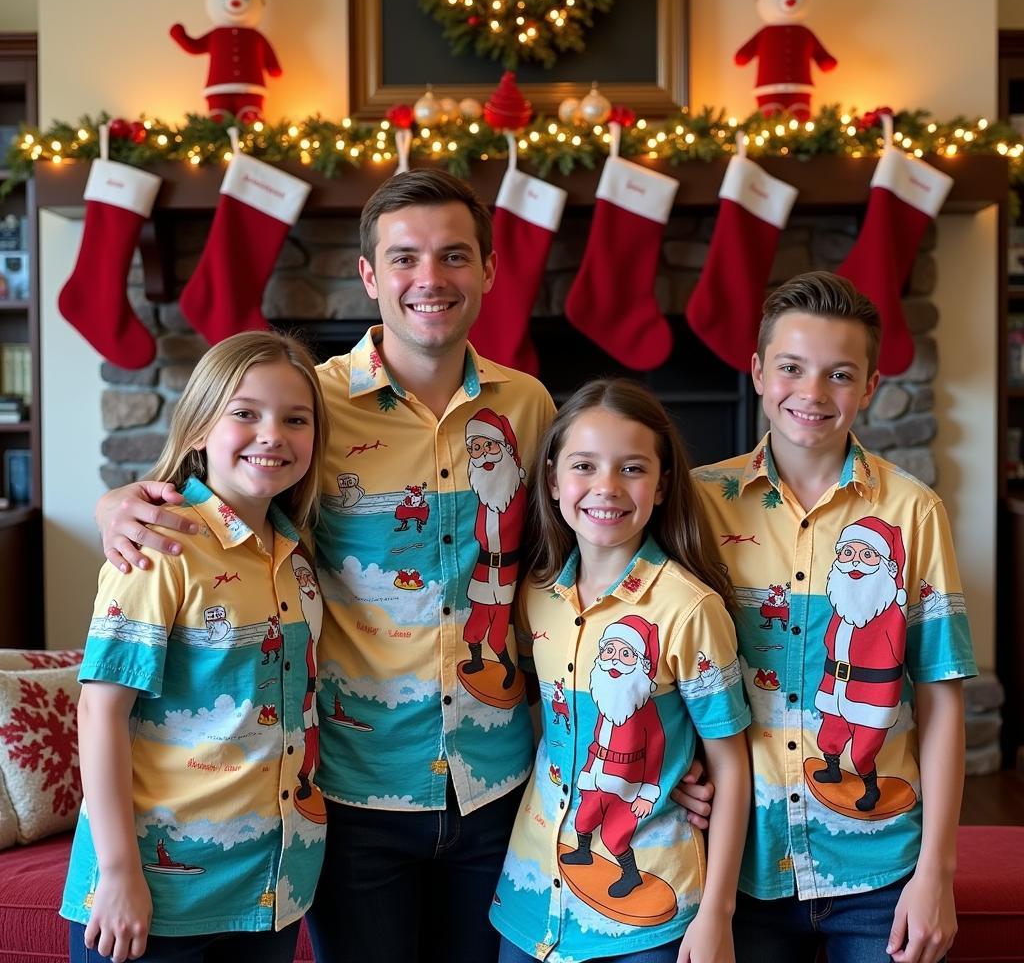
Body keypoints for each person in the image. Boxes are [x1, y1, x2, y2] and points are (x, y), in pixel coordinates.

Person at [94, 169, 714, 963]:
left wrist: (675, 746)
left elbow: (587, 568)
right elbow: (218, 492)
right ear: (369, 275)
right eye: (405, 258)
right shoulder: (304, 406)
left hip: (502, 786)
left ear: (489, 271)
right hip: (353, 790)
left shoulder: (528, 407)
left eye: (455, 256)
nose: (431, 279)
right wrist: (121, 501)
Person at [692, 272, 977, 963]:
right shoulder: (699, 505)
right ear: (758, 373)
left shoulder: (914, 513)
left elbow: (940, 701)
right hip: (739, 870)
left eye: (839, 375)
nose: (812, 394)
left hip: (879, 869)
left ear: (870, 386)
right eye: (791, 368)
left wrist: (936, 872)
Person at [61, 331, 331, 963]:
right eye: (246, 413)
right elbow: (101, 711)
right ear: (198, 427)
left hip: (270, 888)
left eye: (296, 419)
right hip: (154, 896)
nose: (273, 435)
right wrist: (121, 871)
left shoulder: (297, 558)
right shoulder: (158, 548)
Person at [492, 379, 751, 963]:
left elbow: (731, 765)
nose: (606, 488)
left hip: (649, 920)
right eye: (585, 466)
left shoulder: (690, 609)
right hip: (532, 898)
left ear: (661, 487)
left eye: (632, 469)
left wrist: (718, 913)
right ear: (554, 479)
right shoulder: (535, 595)